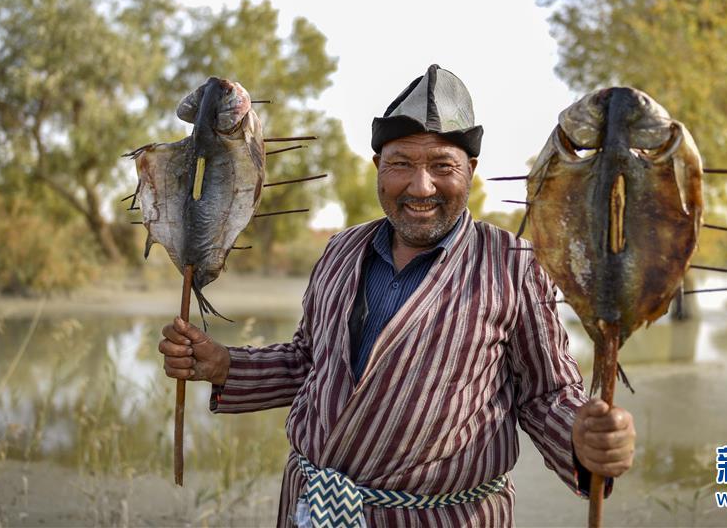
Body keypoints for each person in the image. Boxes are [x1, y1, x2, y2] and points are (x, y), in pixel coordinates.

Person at [159, 64, 636, 527]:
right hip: (315, 509)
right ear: (378, 168)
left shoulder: (514, 263)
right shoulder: (341, 249)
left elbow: (546, 393)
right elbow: (309, 362)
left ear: (470, 170)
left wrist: (581, 439)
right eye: (401, 164)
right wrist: (224, 365)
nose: (421, 186)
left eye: (442, 166)